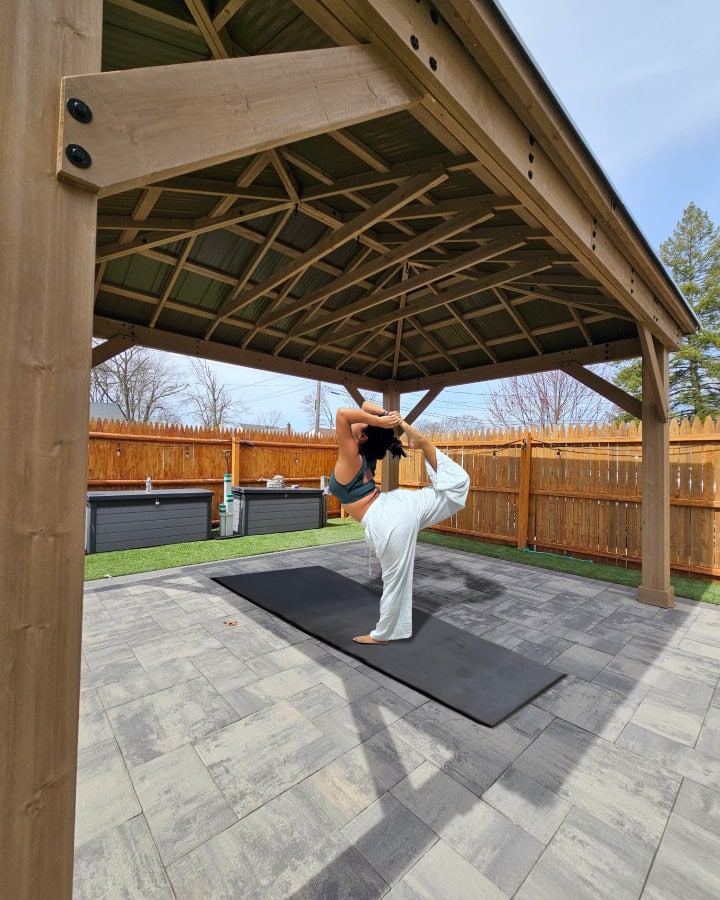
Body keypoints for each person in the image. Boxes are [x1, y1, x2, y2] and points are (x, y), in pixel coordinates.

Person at [329, 399, 470, 644]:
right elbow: (364, 404)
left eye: (362, 424)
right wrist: (390, 419)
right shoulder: (364, 452)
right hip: (396, 506)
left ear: (361, 438)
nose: (360, 419)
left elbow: (343, 414)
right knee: (456, 487)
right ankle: (425, 445)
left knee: (394, 582)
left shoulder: (352, 457)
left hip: (387, 519)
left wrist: (384, 421)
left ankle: (382, 635)